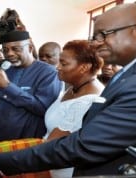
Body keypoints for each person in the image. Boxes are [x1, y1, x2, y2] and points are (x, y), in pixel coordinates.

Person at [0, 3, 136, 177]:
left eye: (102, 35)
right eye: (94, 36)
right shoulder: (135, 72)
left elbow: (84, 145)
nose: (96, 44)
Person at [0, 30, 62, 142]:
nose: (9, 54)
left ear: (30, 48)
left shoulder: (48, 73)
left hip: (27, 143)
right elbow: (1, 106)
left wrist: (7, 86)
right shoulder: (7, 71)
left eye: (16, 49)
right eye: (5, 50)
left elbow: (43, 109)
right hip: (0, 139)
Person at [43, 40, 104, 177]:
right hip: (49, 164)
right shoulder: (73, 88)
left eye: (63, 64)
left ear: (84, 68)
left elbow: (50, 146)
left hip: (62, 170)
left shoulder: (88, 101)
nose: (58, 67)